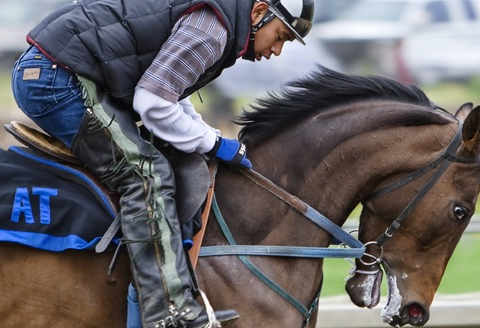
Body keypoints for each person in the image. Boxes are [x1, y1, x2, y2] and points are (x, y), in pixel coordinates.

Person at [11, 0, 314, 327]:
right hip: (55, 80)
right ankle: (169, 312)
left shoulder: (219, 21)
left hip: (65, 70)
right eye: (280, 35)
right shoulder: (213, 31)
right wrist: (213, 142)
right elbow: (153, 102)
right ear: (258, 12)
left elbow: (170, 91)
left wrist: (207, 136)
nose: (278, 50)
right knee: (146, 175)